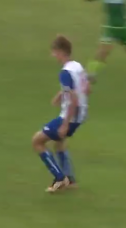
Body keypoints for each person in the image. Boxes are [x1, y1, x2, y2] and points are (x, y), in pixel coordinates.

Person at [31, 36, 89, 193]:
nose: (53, 56)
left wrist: (65, 124)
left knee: (37, 141)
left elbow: (72, 100)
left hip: (70, 117)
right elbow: (86, 87)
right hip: (82, 115)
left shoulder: (64, 73)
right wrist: (60, 94)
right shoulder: (77, 66)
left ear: (61, 52)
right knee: (59, 143)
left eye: (54, 52)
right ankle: (70, 180)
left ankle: (59, 178)